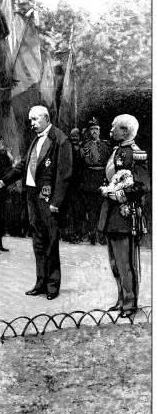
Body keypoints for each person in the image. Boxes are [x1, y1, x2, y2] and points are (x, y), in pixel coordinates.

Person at [0, 106, 72, 300]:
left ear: (47, 118)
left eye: (36, 119)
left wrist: (56, 201)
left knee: (51, 241)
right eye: (30, 120)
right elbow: (24, 166)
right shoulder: (36, 139)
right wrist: (3, 181)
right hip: (32, 196)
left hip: (48, 199)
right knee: (38, 242)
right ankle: (40, 283)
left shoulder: (60, 140)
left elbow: (64, 175)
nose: (32, 123)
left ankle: (53, 285)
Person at [98, 114, 150, 318]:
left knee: (124, 262)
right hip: (112, 214)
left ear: (125, 131)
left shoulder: (136, 154)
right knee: (114, 262)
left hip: (124, 214)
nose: (110, 131)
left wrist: (117, 194)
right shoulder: (117, 150)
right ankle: (121, 299)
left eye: (114, 128)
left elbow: (143, 186)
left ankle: (130, 303)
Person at [81, 120, 112, 244]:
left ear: (100, 131)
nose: (94, 131)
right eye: (92, 129)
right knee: (91, 208)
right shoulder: (85, 145)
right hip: (89, 178)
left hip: (102, 178)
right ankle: (91, 234)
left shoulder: (106, 145)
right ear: (89, 131)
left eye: (97, 129)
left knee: (102, 208)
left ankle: (101, 235)